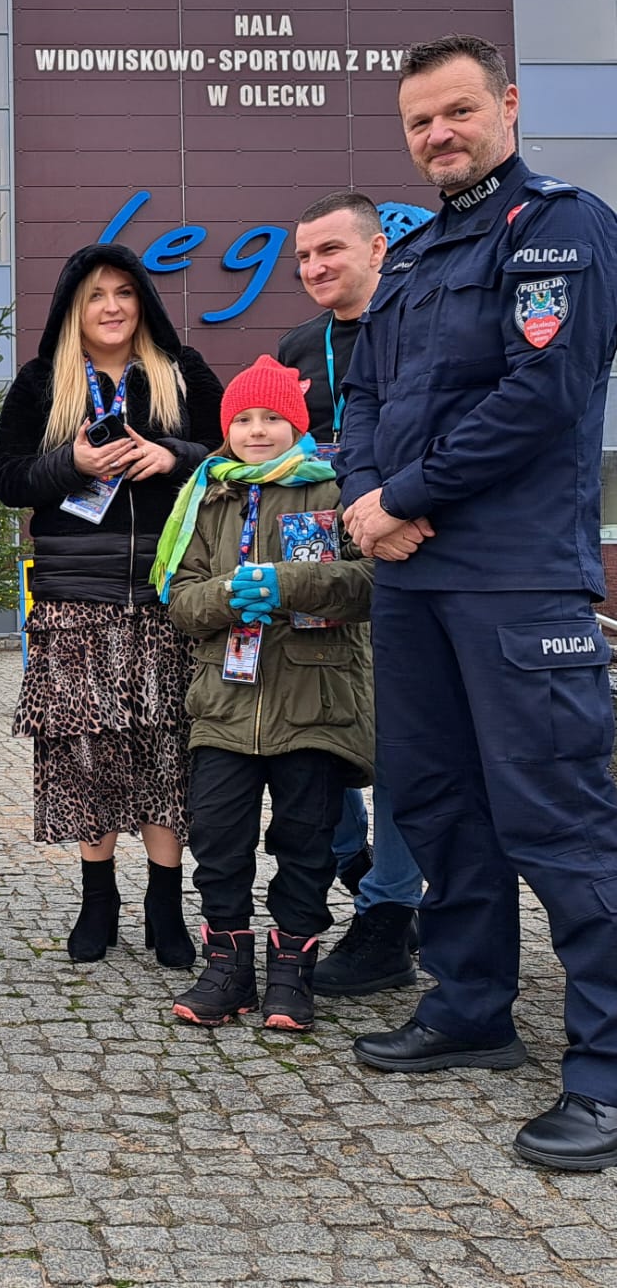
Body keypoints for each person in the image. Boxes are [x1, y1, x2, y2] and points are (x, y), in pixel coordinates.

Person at [339, 32, 617, 1171]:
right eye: (419, 121)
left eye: (457, 111)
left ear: (507, 105)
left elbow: (541, 396)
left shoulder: (557, 227)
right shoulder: (410, 257)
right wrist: (365, 504)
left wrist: (404, 496)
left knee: (557, 815)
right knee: (438, 801)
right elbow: (362, 396)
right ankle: (469, 1007)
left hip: (515, 576)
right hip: (412, 579)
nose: (438, 134)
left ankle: (606, 1068)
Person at [0, 243, 222, 969]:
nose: (112, 306)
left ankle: (164, 901)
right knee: (86, 750)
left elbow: (233, 454)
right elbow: (5, 478)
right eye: (96, 294)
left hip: (166, 591)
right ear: (73, 306)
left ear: (144, 300)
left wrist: (176, 457)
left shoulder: (182, 371)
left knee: (166, 750)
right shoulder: (40, 381)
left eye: (124, 291)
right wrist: (72, 464)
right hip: (73, 596)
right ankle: (99, 899)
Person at [156, 356, 372, 1030]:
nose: (256, 430)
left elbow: (369, 582)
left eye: (272, 417)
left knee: (305, 843)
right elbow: (180, 599)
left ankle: (291, 972)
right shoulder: (207, 495)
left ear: (297, 425)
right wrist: (227, 595)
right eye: (244, 418)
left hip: (314, 701)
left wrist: (288, 584)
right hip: (223, 701)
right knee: (217, 839)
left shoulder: (335, 489)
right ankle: (227, 968)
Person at [278, 193, 423, 995]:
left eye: (329, 249)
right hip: (316, 557)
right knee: (314, 721)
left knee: (397, 734)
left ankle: (388, 911)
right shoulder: (298, 346)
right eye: (303, 255)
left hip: (400, 547)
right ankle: (353, 862)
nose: (313, 267)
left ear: (377, 251)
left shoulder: (416, 330)